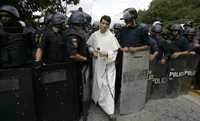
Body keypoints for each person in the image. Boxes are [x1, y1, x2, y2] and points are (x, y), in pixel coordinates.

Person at [87, 15, 120, 121]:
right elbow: (89, 46)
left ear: (109, 25)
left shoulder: (112, 37)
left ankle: (110, 111)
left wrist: (107, 54)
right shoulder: (94, 35)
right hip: (97, 64)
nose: (104, 25)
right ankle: (97, 101)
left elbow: (115, 52)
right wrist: (93, 52)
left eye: (107, 24)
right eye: (103, 23)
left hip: (109, 66)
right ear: (100, 23)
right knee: (98, 83)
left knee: (109, 86)